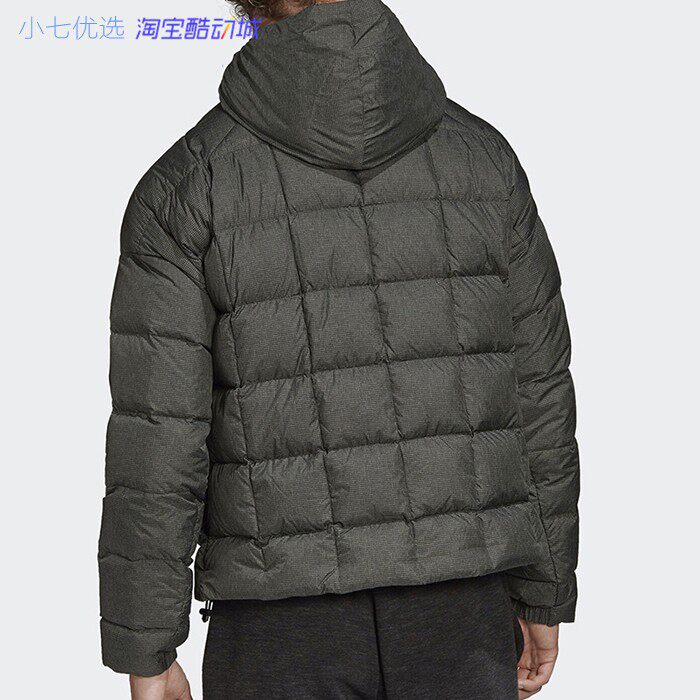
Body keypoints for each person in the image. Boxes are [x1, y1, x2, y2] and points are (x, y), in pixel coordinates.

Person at [99, 0, 580, 698]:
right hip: (463, 615)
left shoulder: (186, 189)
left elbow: (159, 440)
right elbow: (538, 395)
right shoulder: (484, 164)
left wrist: (146, 647)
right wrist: (546, 589)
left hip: (278, 629)